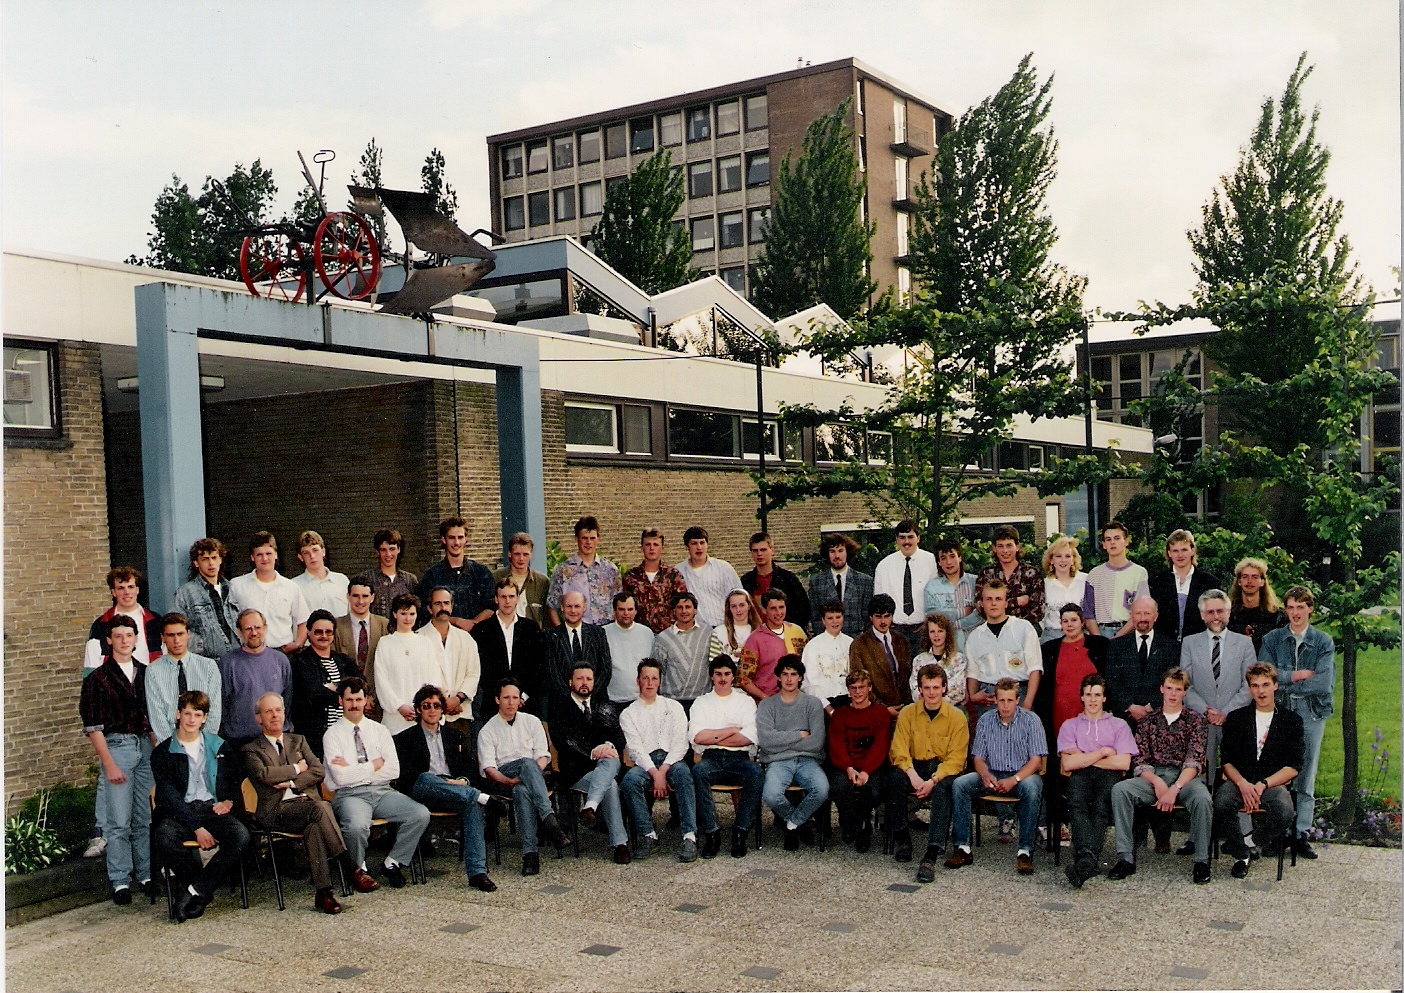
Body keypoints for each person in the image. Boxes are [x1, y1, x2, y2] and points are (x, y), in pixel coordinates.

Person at [243, 692, 353, 913]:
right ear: (258, 718)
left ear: (284, 713)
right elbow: (265, 775)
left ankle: (324, 894)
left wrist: (292, 784)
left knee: (314, 823)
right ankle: (348, 864)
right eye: (268, 711)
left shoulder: (298, 740)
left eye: (278, 710)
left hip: (306, 807)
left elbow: (318, 770)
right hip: (276, 812)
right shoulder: (251, 749)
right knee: (321, 807)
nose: (275, 715)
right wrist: (296, 768)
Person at [150, 690, 251, 922]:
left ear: (205, 718)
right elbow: (168, 797)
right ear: (178, 714)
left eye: (197, 714)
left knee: (240, 836)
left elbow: (236, 778)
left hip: (210, 808)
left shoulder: (219, 746)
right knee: (164, 837)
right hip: (180, 813)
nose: (191, 719)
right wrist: (197, 827)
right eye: (187, 713)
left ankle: (195, 891)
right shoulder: (163, 753)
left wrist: (229, 801)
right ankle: (195, 888)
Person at [393, 684, 505, 892]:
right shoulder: (404, 739)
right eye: (426, 706)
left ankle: (478, 873)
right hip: (421, 793)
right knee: (427, 777)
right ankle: (482, 798)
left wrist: (462, 780)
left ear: (442, 709)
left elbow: (470, 769)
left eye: (436, 705)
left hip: (453, 791)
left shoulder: (455, 736)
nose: (432, 710)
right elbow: (406, 779)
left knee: (471, 805)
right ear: (418, 709)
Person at [1107, 667, 1213, 884]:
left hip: (1185, 778)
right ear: (1161, 689)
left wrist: (1174, 789)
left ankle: (1201, 861)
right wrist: (1157, 783)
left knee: (1203, 798)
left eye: (1178, 689)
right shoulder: (1148, 721)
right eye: (1169, 688)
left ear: (1185, 692)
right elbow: (1140, 759)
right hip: (1153, 777)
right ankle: (1125, 857)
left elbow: (1195, 761)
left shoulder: (1196, 721)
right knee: (1121, 790)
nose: (1173, 694)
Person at [322, 677, 430, 889]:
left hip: (382, 791)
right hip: (349, 795)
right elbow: (340, 778)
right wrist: (374, 765)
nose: (354, 704)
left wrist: (354, 768)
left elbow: (393, 770)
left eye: (358, 699)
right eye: (349, 699)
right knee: (356, 826)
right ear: (340, 702)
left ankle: (393, 862)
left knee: (420, 814)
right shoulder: (331, 735)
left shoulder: (380, 731)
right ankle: (358, 870)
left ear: (366, 701)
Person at [80, 615, 156, 905]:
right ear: (109, 640)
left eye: (129, 635)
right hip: (117, 747)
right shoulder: (97, 679)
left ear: (136, 639)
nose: (124, 641)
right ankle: (121, 879)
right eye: (118, 636)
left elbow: (154, 717)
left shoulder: (147, 673)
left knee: (143, 817)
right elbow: (93, 726)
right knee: (119, 821)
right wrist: (109, 763)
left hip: (145, 748)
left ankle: (146, 874)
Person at [1260, 585, 1334, 857]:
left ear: (1310, 609)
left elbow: (1323, 683)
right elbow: (1266, 676)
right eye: (1290, 607)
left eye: (1300, 607)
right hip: (1280, 712)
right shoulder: (1272, 639)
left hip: (1312, 713)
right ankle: (1277, 832)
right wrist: (1297, 675)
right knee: (1278, 773)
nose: (1295, 613)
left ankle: (1300, 834)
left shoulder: (1323, 641)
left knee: (1306, 775)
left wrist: (1284, 683)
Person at [947, 678, 1049, 874]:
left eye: (1010, 700)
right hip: (992, 773)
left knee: (1033, 787)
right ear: (995, 699)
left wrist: (1015, 779)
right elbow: (978, 757)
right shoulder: (986, 720)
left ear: (1017, 700)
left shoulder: (1031, 720)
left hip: (1021, 776)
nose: (1005, 705)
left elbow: (1036, 760)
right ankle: (962, 847)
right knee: (960, 784)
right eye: (1001, 700)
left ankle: (1024, 851)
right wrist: (984, 774)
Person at [1212, 663, 1304, 880]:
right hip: (1239, 781)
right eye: (1255, 686)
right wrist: (1243, 785)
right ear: (1249, 689)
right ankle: (1241, 854)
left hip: (1272, 783)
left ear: (1275, 686)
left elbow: (1293, 767)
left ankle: (1250, 842)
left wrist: (1263, 784)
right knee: (1222, 802)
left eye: (1265, 685)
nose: (1261, 691)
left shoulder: (1291, 721)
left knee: (1284, 811)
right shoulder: (1236, 718)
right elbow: (1226, 761)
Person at [476, 677, 573, 876]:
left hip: (529, 778)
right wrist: (509, 780)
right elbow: (489, 770)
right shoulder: (487, 731)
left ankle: (530, 855)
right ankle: (551, 822)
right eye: (506, 698)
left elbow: (543, 756)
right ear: (497, 700)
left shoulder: (532, 721)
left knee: (522, 790)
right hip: (502, 778)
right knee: (527, 764)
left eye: (515, 697)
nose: (511, 702)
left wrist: (527, 777)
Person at [887, 664, 969, 881]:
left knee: (944, 788)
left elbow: (957, 759)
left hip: (942, 769)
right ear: (920, 690)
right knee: (894, 779)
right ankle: (902, 838)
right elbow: (899, 749)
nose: (931, 693)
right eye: (927, 688)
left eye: (936, 687)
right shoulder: (907, 714)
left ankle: (931, 853)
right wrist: (912, 774)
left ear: (944, 688)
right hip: (915, 766)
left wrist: (932, 781)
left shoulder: (957, 717)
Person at [1056, 674, 1136, 888]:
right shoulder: (1070, 726)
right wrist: (1102, 752)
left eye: (1097, 695)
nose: (1092, 700)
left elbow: (1123, 763)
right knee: (1077, 804)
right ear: (1081, 697)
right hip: (1080, 775)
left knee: (1102, 806)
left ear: (1104, 698)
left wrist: (1084, 756)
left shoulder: (1119, 725)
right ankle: (1087, 861)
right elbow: (1068, 765)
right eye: (1088, 695)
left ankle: (1085, 860)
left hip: (1109, 775)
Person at [619, 658, 699, 861]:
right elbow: (635, 749)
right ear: (638, 681)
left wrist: (663, 770)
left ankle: (690, 836)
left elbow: (681, 743)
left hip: (671, 760)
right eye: (645, 678)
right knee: (630, 782)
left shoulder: (674, 707)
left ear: (660, 681)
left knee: (684, 775)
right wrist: (655, 774)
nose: (650, 682)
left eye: (654, 678)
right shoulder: (628, 713)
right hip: (645, 762)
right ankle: (648, 834)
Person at [552, 663, 631, 864]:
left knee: (611, 762)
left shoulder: (602, 704)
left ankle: (591, 806)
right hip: (576, 772)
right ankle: (620, 844)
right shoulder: (559, 706)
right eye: (580, 679)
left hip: (603, 768)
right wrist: (593, 753)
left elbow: (619, 738)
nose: (584, 683)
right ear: (571, 682)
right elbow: (564, 743)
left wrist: (607, 745)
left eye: (588, 679)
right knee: (610, 782)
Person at [688, 656, 764, 859]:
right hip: (711, 759)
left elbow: (750, 737)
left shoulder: (745, 702)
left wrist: (714, 736)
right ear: (712, 677)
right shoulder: (701, 702)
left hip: (739, 759)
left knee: (756, 772)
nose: (723, 678)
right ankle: (712, 834)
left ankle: (740, 832)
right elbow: (696, 737)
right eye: (718, 674)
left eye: (727, 674)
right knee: (697, 772)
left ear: (733, 676)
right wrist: (731, 730)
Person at [1181, 589, 1255, 787]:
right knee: (1203, 775)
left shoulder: (1244, 643)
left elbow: (1249, 685)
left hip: (1235, 719)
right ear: (1202, 615)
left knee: (1236, 772)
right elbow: (1185, 684)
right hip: (1201, 718)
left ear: (1228, 613)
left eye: (1220, 611)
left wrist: (1226, 713)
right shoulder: (1189, 643)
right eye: (1211, 612)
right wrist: (1206, 711)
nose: (1216, 617)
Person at [756, 655, 829, 850]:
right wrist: (799, 734)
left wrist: (782, 740)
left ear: (800, 677)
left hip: (808, 760)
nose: (789, 679)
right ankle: (800, 822)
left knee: (821, 789)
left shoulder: (812, 704)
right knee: (771, 795)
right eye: (785, 674)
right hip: (778, 762)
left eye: (794, 674)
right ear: (778, 677)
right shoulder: (767, 705)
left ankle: (792, 824)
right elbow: (766, 741)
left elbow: (816, 742)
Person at [827, 670, 891, 852]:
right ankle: (850, 822)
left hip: (872, 766)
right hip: (845, 765)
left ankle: (863, 825)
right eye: (853, 688)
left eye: (861, 687)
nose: (857, 692)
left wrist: (865, 771)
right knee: (839, 786)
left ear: (869, 688)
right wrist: (848, 768)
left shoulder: (881, 714)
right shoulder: (840, 714)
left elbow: (880, 747)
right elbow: (837, 744)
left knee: (873, 789)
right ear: (848, 690)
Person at [218, 610, 294, 756]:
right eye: (248, 629)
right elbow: (223, 704)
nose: (254, 633)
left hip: (275, 740)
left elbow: (287, 700)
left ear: (265, 628)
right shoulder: (228, 663)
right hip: (240, 741)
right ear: (239, 632)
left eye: (258, 627)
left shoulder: (281, 661)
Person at [1034, 604, 1109, 750]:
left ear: (1082, 622)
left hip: (1092, 710)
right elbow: (1044, 688)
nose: (1069, 625)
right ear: (1060, 624)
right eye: (1065, 621)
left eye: (1073, 620)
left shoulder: (1100, 645)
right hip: (1061, 711)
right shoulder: (1049, 649)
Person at [964, 580, 1042, 717]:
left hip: (1019, 693)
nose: (993, 603)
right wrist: (973, 696)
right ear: (982, 603)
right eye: (989, 599)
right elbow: (973, 673)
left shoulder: (1023, 628)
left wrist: (1027, 704)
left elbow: (1035, 669)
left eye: (998, 599)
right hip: (989, 695)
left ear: (1006, 603)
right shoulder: (975, 636)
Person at [370, 593, 443, 736]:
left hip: (423, 716)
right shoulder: (385, 643)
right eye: (403, 613)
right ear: (395, 614)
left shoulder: (425, 642)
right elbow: (381, 680)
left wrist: (425, 707)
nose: (408, 618)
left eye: (412, 613)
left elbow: (434, 677)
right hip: (395, 718)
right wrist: (399, 706)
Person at [472, 579, 547, 719]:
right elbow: (481, 670)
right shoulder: (482, 630)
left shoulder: (531, 628)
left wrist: (521, 696)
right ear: (496, 599)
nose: (507, 601)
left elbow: (538, 666)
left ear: (517, 598)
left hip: (526, 703)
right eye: (503, 597)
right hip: (493, 705)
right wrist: (501, 699)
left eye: (511, 596)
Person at [289, 609, 359, 758]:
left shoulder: (345, 661)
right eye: (318, 632)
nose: (324, 636)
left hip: (346, 733)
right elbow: (313, 694)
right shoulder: (300, 662)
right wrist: (343, 693)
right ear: (308, 633)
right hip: (317, 736)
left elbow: (359, 688)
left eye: (328, 632)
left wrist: (333, 688)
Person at [226, 532, 310, 655]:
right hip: (248, 653)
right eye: (259, 554)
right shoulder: (237, 586)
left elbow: (303, 621)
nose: (265, 559)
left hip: (284, 653)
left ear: (276, 555)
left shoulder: (290, 587)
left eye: (268, 553)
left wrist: (297, 644)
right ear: (252, 557)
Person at [144, 613, 222, 745]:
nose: (176, 640)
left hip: (204, 742)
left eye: (180, 634)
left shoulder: (208, 666)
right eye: (171, 635)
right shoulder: (153, 671)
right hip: (170, 744)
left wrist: (203, 743)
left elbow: (214, 710)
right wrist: (173, 746)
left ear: (188, 634)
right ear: (162, 638)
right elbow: (156, 715)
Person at [1103, 597, 1178, 732]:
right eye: (1138, 613)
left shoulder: (1170, 646)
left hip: (1159, 717)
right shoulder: (1116, 645)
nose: (1142, 618)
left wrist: (1151, 707)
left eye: (1147, 613)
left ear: (1156, 616)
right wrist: (1130, 706)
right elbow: (1111, 681)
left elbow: (1172, 682)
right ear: (1131, 616)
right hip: (1124, 717)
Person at [417, 517, 496, 633]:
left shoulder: (481, 572)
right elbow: (425, 611)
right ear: (443, 540)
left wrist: (473, 624)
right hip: (444, 637)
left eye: (460, 537)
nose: (456, 543)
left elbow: (492, 606)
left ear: (466, 539)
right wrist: (457, 621)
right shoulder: (432, 576)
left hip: (479, 636)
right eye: (451, 538)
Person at [874, 520, 939, 658]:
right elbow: (878, 602)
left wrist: (930, 621)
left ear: (918, 538)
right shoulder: (884, 566)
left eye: (910, 537)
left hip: (924, 630)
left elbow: (938, 595)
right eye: (902, 538)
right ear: (897, 540)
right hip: (895, 632)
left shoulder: (932, 562)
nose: (906, 542)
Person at [543, 590, 614, 717]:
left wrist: (588, 694)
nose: (573, 610)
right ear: (562, 608)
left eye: (577, 606)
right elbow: (552, 673)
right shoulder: (550, 636)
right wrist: (573, 699)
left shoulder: (598, 633)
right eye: (569, 606)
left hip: (596, 704)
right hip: (563, 706)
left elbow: (605, 669)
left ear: (584, 607)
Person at [417, 587, 481, 726]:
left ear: (452, 607)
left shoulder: (466, 638)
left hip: (460, 713)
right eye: (437, 604)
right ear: (429, 608)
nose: (443, 607)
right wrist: (441, 703)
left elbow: (473, 674)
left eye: (446, 603)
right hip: (430, 716)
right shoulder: (418, 638)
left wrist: (458, 699)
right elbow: (418, 676)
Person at [84, 566, 162, 676]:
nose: (127, 592)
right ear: (113, 592)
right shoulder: (101, 625)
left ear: (137, 590)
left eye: (130, 587)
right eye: (121, 588)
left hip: (151, 681)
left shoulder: (155, 621)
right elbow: (91, 666)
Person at [171, 538, 241, 660]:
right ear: (196, 563)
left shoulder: (234, 589)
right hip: (206, 661)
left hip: (237, 659)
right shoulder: (186, 593)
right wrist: (202, 646)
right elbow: (175, 627)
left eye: (214, 558)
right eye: (205, 559)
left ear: (220, 559)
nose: (211, 563)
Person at [546, 515, 622, 626]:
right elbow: (552, 606)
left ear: (598, 539)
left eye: (592, 538)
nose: (588, 542)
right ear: (576, 539)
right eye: (584, 538)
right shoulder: (563, 571)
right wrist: (562, 635)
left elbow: (619, 604)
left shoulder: (610, 570)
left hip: (606, 632)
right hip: (577, 633)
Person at [1147, 529, 1220, 643]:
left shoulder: (1209, 582)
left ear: (1192, 550)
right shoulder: (1157, 581)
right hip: (1165, 646)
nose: (1180, 555)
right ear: (1169, 553)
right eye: (1175, 550)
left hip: (1199, 645)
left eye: (1184, 550)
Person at [738, 589, 808, 701]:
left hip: (797, 701)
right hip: (768, 703)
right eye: (773, 608)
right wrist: (766, 699)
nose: (779, 613)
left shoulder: (797, 632)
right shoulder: (755, 639)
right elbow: (743, 679)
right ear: (764, 610)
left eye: (781, 607)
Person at [1083, 521, 1150, 638]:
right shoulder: (1094, 574)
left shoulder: (1139, 573)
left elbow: (1141, 611)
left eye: (1117, 538)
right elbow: (1088, 613)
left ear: (1126, 541)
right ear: (1103, 544)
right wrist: (1099, 639)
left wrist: (1119, 636)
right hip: (1101, 632)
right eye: (1108, 539)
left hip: (1128, 632)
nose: (1112, 542)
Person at [848, 594, 912, 716]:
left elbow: (908, 676)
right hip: (876, 711)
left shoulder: (902, 641)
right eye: (878, 617)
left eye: (887, 616)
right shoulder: (859, 645)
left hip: (905, 709)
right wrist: (884, 709)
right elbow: (860, 683)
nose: (883, 621)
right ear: (871, 617)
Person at [652, 592, 713, 713]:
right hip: (672, 702)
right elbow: (657, 670)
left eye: (688, 607)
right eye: (680, 607)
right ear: (674, 611)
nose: (684, 611)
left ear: (695, 610)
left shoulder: (708, 632)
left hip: (702, 701)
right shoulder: (663, 638)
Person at [620, 528, 690, 634]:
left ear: (662, 548)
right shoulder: (631, 577)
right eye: (648, 545)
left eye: (655, 545)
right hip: (638, 633)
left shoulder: (673, 575)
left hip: (668, 634)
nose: (651, 548)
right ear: (642, 548)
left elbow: (682, 605)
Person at [740, 531, 812, 632]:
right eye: (755, 551)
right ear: (751, 553)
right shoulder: (745, 581)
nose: (759, 554)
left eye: (763, 550)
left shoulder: (788, 579)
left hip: (785, 634)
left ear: (772, 550)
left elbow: (804, 610)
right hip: (755, 635)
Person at [675, 525, 744, 630]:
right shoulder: (678, 572)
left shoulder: (723, 568)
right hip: (695, 631)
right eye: (694, 543)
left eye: (702, 543)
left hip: (723, 627)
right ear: (687, 546)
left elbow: (740, 598)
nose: (699, 547)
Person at [976, 524, 1045, 628]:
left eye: (1009, 545)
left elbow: (1038, 610)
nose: (1005, 551)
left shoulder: (1032, 574)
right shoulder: (986, 574)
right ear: (994, 548)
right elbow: (980, 606)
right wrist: (1017, 601)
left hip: (1025, 632)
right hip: (995, 631)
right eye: (1000, 546)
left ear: (1017, 547)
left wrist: (1014, 626)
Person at [806, 533, 872, 637]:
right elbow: (815, 618)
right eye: (832, 551)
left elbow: (867, 618)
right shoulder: (817, 582)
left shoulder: (864, 581)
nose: (837, 556)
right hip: (827, 642)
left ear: (847, 552)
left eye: (840, 551)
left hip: (856, 642)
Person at [923, 536, 980, 651]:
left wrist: (951, 625)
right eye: (943, 558)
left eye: (952, 556)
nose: (948, 562)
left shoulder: (976, 583)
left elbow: (980, 615)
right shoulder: (932, 587)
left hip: (976, 647)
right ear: (939, 562)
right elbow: (934, 618)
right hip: (947, 651)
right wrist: (963, 611)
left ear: (960, 557)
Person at [354, 528, 419, 620]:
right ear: (377, 552)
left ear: (399, 549)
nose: (388, 554)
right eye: (383, 550)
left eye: (392, 549)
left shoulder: (410, 580)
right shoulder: (366, 579)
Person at [801, 601, 854, 712]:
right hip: (823, 704)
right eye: (830, 618)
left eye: (838, 617)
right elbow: (809, 683)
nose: (835, 622)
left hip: (850, 701)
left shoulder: (851, 644)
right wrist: (828, 709)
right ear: (823, 621)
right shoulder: (813, 646)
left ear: (843, 618)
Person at [601, 593, 654, 706]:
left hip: (641, 699)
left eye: (630, 609)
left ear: (635, 611)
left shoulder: (646, 633)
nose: (626, 613)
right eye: (621, 609)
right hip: (612, 699)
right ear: (614, 611)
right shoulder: (603, 633)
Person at [1227, 556, 1287, 652]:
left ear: (1262, 582)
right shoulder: (1228, 615)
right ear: (1239, 581)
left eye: (1255, 577)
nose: (1249, 581)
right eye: (1245, 576)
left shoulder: (1278, 617)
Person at [333, 580, 387, 687]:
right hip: (347, 696)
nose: (360, 601)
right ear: (348, 597)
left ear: (372, 598)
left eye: (365, 596)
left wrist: (373, 697)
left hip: (378, 695)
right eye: (355, 596)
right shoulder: (336, 626)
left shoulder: (384, 625)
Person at [1040, 536, 1093, 643]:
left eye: (1068, 556)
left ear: (1073, 559)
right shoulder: (1044, 584)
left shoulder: (1085, 580)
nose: (1063, 560)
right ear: (1051, 560)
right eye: (1058, 556)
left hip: (1080, 636)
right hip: (1052, 637)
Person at [908, 612, 967, 708]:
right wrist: (928, 704)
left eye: (940, 631)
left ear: (947, 633)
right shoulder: (919, 660)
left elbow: (959, 690)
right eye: (932, 631)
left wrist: (937, 704)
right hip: (924, 708)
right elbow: (914, 688)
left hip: (950, 709)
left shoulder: (959, 659)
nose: (936, 635)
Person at [492, 532, 549, 626]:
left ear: (531, 555)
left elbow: (546, 616)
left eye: (525, 554)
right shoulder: (496, 578)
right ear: (510, 554)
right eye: (517, 554)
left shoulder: (542, 582)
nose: (521, 558)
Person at [291, 530, 350, 618]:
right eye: (306, 553)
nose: (312, 556)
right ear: (300, 557)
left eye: (315, 550)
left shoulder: (342, 581)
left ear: (323, 551)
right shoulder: (294, 586)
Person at [709, 588, 760, 667]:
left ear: (749, 605)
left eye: (742, 605)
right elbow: (714, 665)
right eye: (733, 606)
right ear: (729, 608)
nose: (738, 610)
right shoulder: (718, 632)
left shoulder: (759, 631)